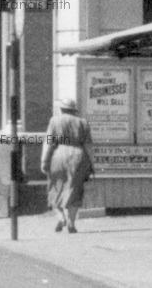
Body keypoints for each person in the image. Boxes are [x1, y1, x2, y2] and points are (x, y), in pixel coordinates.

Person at [41, 98, 95, 234]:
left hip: (59, 154)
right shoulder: (83, 122)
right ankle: (71, 222)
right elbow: (88, 145)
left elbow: (48, 142)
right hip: (79, 155)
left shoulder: (55, 121)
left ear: (61, 109)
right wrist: (92, 163)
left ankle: (61, 217)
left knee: (55, 187)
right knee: (75, 189)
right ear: (74, 109)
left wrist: (44, 161)